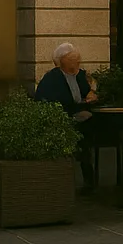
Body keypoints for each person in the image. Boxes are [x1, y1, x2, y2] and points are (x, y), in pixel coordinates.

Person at [34, 43, 99, 190]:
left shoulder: (80, 75)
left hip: (81, 118)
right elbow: (57, 103)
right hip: (62, 120)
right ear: (62, 61)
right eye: (74, 60)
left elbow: (88, 93)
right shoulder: (53, 78)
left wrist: (89, 96)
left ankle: (90, 179)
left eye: (78, 59)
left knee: (91, 128)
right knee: (84, 134)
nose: (77, 63)